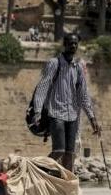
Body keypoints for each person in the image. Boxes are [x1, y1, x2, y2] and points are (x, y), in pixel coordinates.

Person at [32, 33, 100, 173]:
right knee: (59, 151)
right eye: (70, 43)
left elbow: (83, 94)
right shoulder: (54, 63)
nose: (73, 45)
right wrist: (37, 111)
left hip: (73, 115)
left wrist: (92, 118)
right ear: (65, 44)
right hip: (56, 113)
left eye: (75, 43)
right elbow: (42, 87)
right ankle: (36, 171)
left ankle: (66, 185)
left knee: (70, 154)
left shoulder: (79, 67)